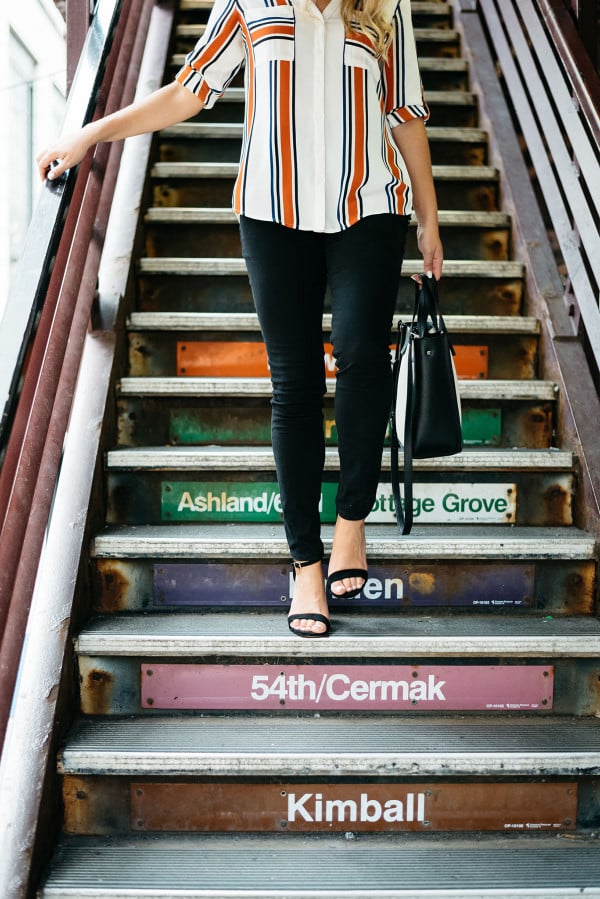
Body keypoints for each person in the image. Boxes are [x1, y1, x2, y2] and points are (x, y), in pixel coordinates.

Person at [37, 0, 443, 638]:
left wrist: (430, 217)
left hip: (371, 202)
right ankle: (305, 561)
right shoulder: (251, 4)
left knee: (363, 352)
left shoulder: (385, 6)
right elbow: (189, 89)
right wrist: (88, 134)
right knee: (296, 382)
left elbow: (406, 113)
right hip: (271, 209)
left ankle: (352, 522)